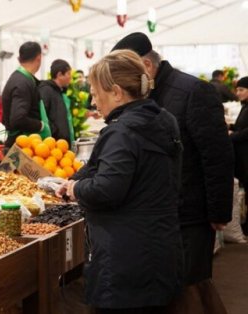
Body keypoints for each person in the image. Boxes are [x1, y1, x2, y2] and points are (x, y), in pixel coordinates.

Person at [112, 32, 233, 312]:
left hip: (191, 211)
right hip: (161, 213)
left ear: (147, 66)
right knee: (179, 285)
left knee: (188, 283)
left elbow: (217, 155)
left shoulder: (193, 91)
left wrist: (218, 212)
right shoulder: (145, 95)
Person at [57, 50, 183, 313]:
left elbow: (107, 189)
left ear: (116, 92)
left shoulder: (123, 131)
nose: (93, 102)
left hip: (126, 262)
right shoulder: (162, 119)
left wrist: (76, 188)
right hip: (160, 249)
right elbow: (100, 168)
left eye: (95, 93)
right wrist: (74, 178)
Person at [2, 41, 49, 147]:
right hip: (22, 147)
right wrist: (41, 126)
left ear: (19, 59)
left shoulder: (18, 78)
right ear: (39, 58)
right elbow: (18, 119)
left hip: (21, 143)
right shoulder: (22, 82)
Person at [38, 59, 75, 145]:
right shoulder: (46, 90)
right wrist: (56, 132)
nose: (70, 77)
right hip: (53, 144)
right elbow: (42, 116)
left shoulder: (60, 92)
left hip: (62, 144)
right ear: (59, 75)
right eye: (68, 74)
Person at [230, 76, 248, 188]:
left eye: (241, 90)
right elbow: (241, 125)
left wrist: (233, 135)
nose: (238, 93)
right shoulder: (245, 105)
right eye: (237, 90)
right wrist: (230, 126)